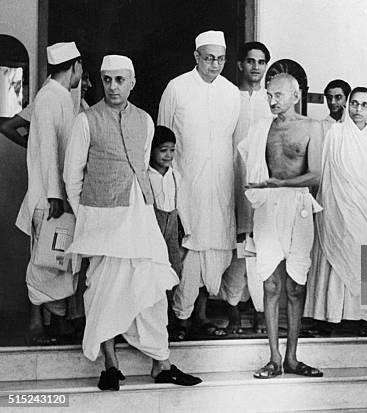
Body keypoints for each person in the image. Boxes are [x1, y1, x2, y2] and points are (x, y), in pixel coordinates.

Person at [64, 55, 201, 390]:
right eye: (107, 80)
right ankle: (110, 365)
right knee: (103, 287)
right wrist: (88, 218)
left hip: (138, 216)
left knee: (150, 283)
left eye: (120, 80)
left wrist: (146, 207)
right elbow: (72, 177)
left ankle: (161, 363)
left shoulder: (145, 120)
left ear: (132, 82)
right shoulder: (86, 121)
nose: (113, 87)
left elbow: (141, 168)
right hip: (102, 220)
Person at [239, 73, 324, 379]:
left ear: (295, 95)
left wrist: (282, 182)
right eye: (269, 96)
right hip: (268, 204)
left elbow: (316, 175)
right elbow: (251, 170)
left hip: (298, 205)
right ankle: (274, 359)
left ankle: (292, 357)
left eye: (277, 95)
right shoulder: (262, 129)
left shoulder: (312, 127)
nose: (272, 101)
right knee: (271, 284)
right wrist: (268, 188)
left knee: (296, 286)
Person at [158, 30, 240, 339]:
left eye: (220, 59)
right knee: (185, 251)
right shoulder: (176, 88)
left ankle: (201, 316)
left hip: (220, 186)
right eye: (209, 59)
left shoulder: (232, 92)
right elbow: (163, 138)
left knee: (213, 250)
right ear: (196, 57)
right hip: (185, 186)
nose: (215, 65)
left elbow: (236, 144)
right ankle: (178, 319)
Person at [304, 86, 367, 335]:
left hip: (364, 207)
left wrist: (361, 189)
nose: (357, 109)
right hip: (335, 206)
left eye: (364, 105)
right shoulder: (336, 132)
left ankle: (359, 318)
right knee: (332, 256)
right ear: (347, 105)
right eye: (354, 103)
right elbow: (325, 172)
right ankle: (326, 316)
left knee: (360, 255)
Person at [14, 42, 83, 345]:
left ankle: (57, 322)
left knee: (57, 260)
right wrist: (55, 195)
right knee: (42, 261)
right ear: (75, 66)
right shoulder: (48, 97)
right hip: (48, 200)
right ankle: (34, 324)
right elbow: (49, 149)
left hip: (60, 197)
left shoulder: (62, 96)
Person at [218, 41, 273, 334]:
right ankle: (233, 309)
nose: (256, 67)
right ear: (240, 64)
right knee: (237, 247)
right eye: (250, 61)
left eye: (261, 61)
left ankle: (261, 310)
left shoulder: (271, 100)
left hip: (264, 186)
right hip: (233, 180)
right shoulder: (229, 97)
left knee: (263, 246)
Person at [0, 68, 91, 148]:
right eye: (84, 78)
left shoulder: (83, 109)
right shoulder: (44, 103)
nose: (89, 84)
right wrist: (32, 148)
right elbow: (6, 127)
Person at [147, 125, 183, 277]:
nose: (168, 155)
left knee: (175, 270)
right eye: (163, 150)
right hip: (152, 234)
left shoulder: (176, 177)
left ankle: (170, 301)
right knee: (154, 271)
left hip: (172, 235)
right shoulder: (146, 177)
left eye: (172, 150)